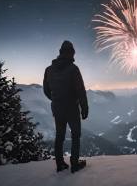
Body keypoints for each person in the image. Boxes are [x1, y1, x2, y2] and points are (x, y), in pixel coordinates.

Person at [43, 40, 88, 174]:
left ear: (60, 53)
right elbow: (81, 91)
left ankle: (60, 164)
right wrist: (84, 108)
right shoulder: (73, 69)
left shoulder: (49, 70)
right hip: (72, 109)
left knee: (59, 136)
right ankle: (74, 164)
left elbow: (46, 90)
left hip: (57, 108)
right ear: (71, 53)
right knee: (75, 135)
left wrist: (56, 99)